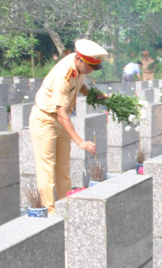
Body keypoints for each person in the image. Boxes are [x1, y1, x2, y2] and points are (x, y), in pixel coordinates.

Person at [29, 39, 107, 213]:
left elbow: (79, 85)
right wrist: (81, 142)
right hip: (45, 119)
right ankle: (49, 213)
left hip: (61, 120)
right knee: (47, 168)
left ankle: (65, 209)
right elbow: (62, 114)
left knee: (64, 168)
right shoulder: (63, 75)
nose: (89, 71)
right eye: (88, 68)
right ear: (79, 59)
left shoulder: (80, 65)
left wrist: (95, 95)